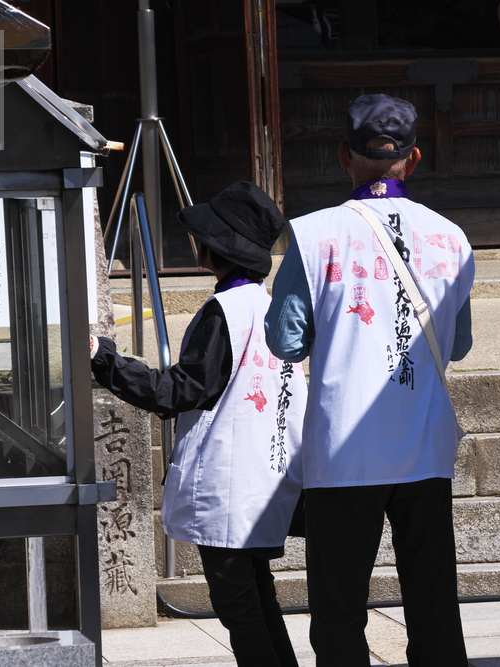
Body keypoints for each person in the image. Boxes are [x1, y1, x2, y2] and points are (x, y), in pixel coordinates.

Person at [264, 94, 475, 666]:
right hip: (424, 444)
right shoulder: (452, 237)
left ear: (343, 155)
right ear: (414, 157)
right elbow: (458, 344)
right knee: (433, 600)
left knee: (339, 608)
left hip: (344, 449)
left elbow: (286, 341)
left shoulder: (312, 235)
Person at [91, 181, 306, 667]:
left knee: (240, 607)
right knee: (258, 598)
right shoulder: (268, 305)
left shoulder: (223, 311)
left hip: (230, 482)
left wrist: (105, 360)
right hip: (268, 477)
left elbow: (180, 390)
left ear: (216, 249)